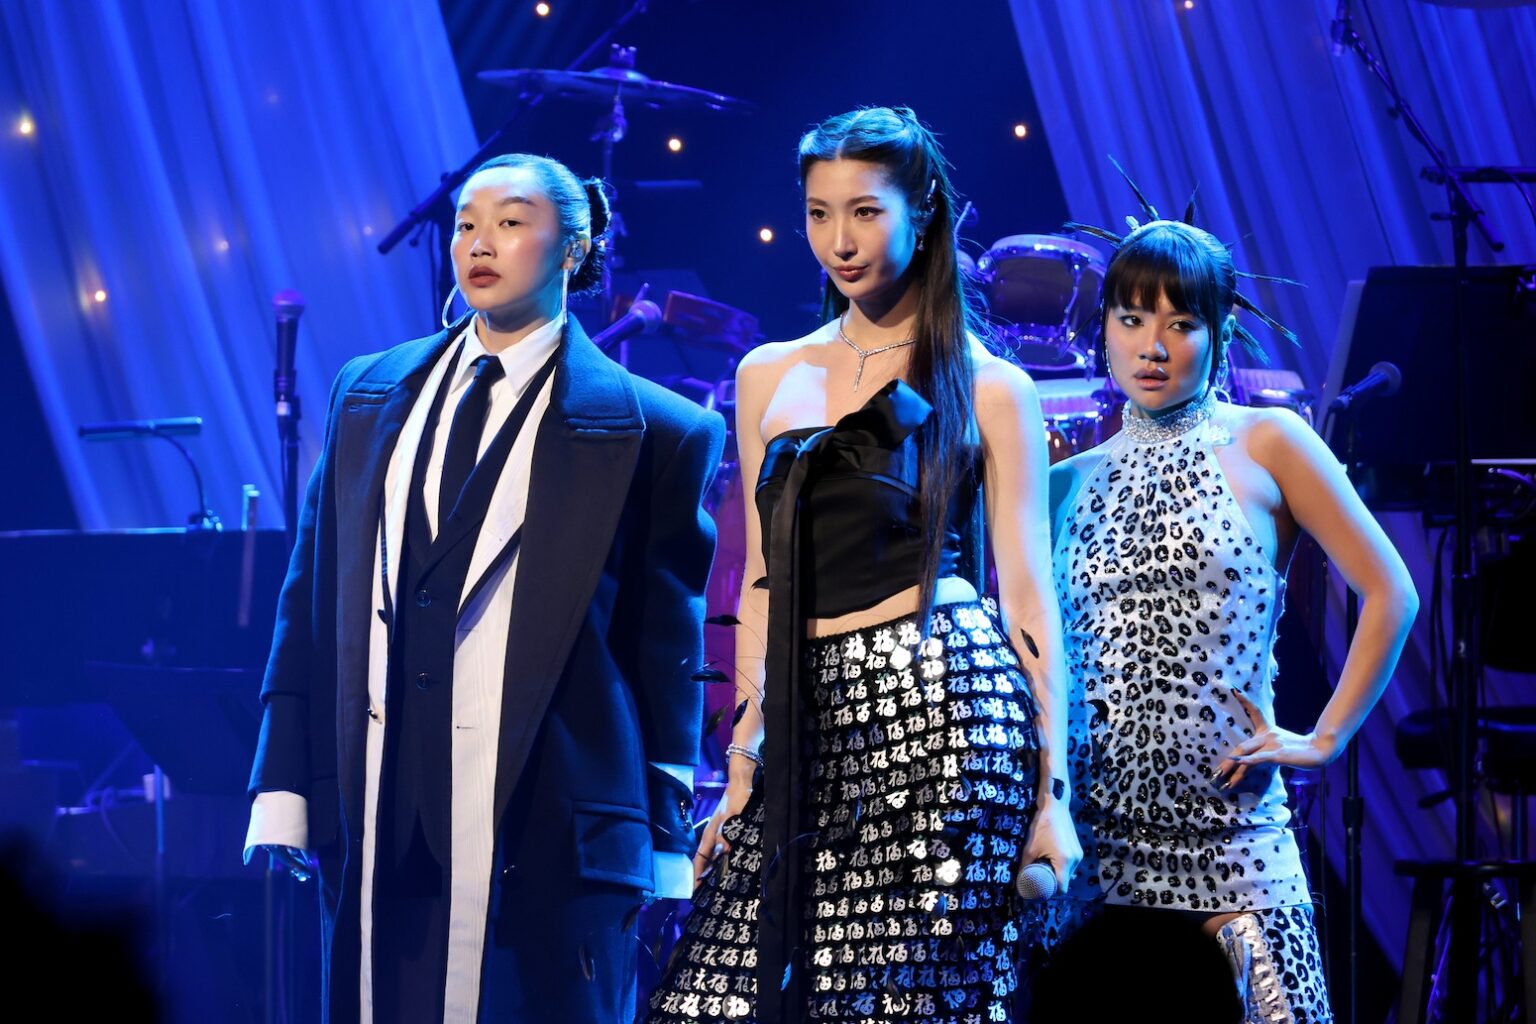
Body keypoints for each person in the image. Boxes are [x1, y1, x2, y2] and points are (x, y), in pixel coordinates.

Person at [242, 152, 725, 1023]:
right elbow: (308, 594)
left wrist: (658, 832)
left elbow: (665, 646)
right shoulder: (369, 391)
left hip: (550, 826)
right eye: (468, 223)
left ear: (573, 250)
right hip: (379, 803)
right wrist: (284, 781)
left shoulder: (656, 427)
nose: (481, 243)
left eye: (510, 222)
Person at [644, 106, 1080, 1024]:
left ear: (922, 212)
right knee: (712, 1001)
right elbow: (762, 587)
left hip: (947, 720)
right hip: (804, 721)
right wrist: (743, 766)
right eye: (817, 213)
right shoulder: (767, 372)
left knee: (905, 1006)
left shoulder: (991, 384)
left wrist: (1053, 798)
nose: (839, 240)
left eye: (866, 212)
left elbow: (1029, 602)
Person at [1049, 194, 1419, 1022]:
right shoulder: (1063, 482)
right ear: (1102, 327)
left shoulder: (1268, 442)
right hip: (1093, 856)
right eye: (1132, 317)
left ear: (1216, 333)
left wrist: (1324, 738)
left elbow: (1391, 591)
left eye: (1181, 322)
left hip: (1234, 844)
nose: (1153, 346)